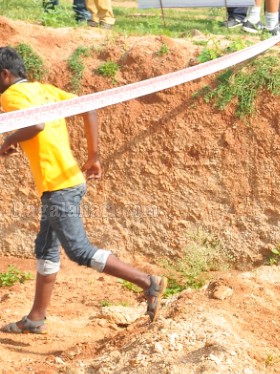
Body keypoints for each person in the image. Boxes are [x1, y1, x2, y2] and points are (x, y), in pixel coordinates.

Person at [0, 47, 165, 334]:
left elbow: (36, 124)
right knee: (46, 249)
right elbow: (89, 105)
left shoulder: (10, 95)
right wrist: (94, 155)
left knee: (78, 250)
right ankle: (36, 318)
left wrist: (6, 142)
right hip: (67, 180)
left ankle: (147, 281)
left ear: (4, 75)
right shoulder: (43, 89)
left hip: (58, 186)